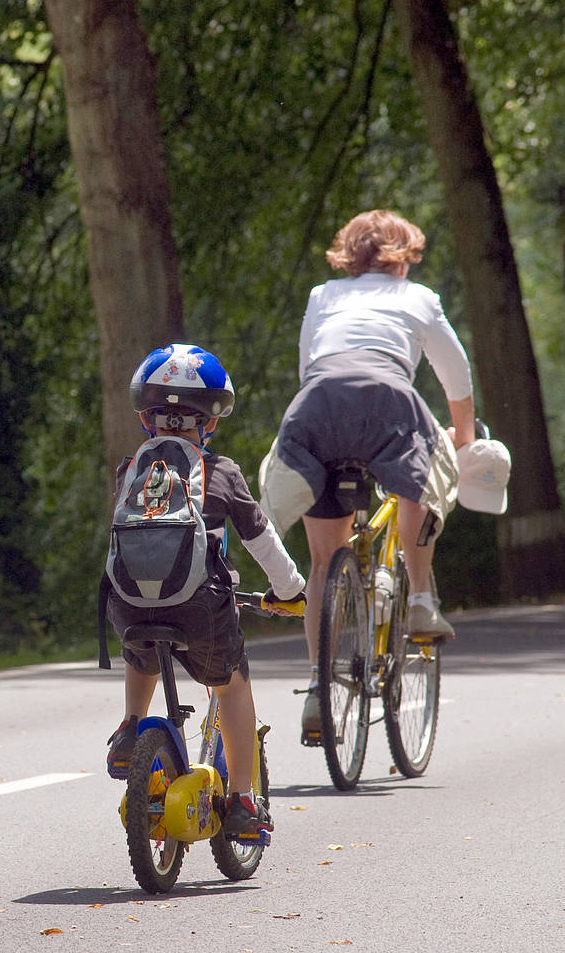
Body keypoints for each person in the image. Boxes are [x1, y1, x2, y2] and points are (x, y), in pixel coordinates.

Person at [257, 209, 475, 738]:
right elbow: (456, 371)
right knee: (416, 477)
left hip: (318, 405)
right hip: (388, 400)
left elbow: (309, 364)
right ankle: (420, 599)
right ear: (406, 256)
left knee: (322, 559)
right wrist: (464, 436)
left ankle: (316, 685)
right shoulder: (417, 298)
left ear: (347, 254)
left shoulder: (322, 295)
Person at [104, 344, 306, 837]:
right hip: (200, 607)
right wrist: (290, 590)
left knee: (143, 650)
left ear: (145, 417)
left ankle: (132, 726)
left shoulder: (130, 469)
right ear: (210, 422)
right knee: (231, 684)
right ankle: (241, 801)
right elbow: (262, 542)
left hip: (126, 603)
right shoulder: (222, 473)